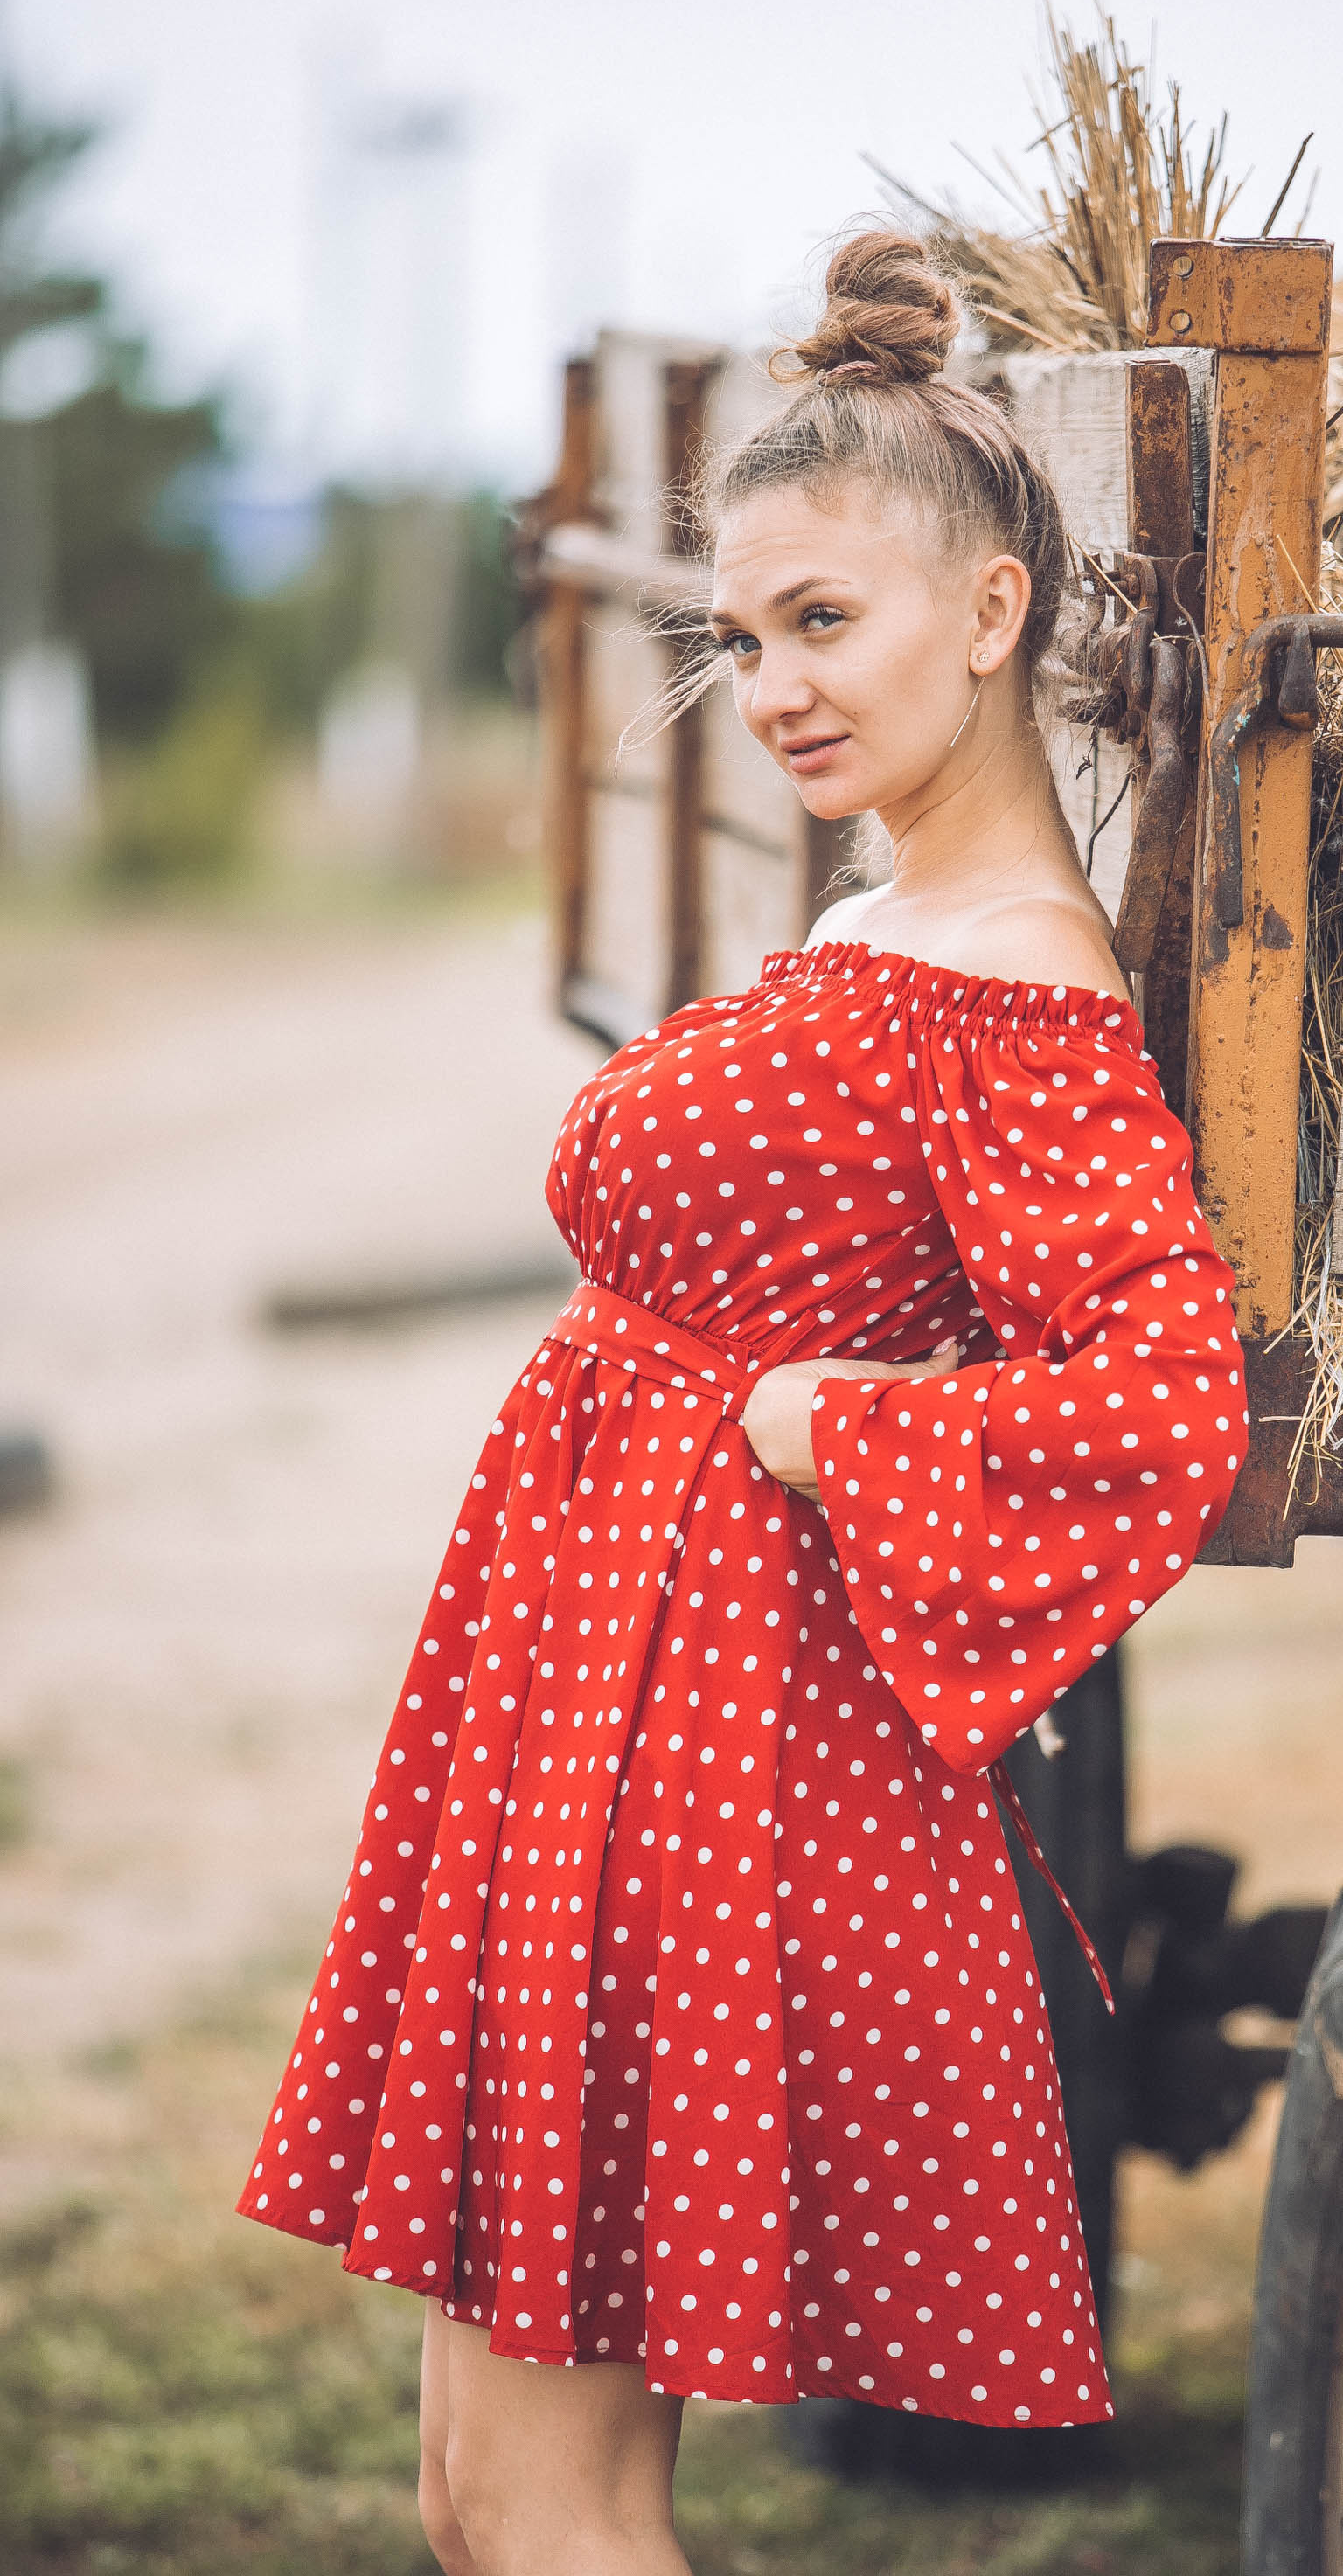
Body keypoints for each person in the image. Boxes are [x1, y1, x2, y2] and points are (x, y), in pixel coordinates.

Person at [239, 228, 1246, 2576]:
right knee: (480, 2498)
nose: (769, 684)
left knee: (555, 2513)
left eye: (827, 623)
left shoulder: (1017, 990)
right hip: (586, 1689)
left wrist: (831, 1431)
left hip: (720, 1730)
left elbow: (1163, 1398)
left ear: (993, 614)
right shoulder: (883, 914)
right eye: (744, 632)